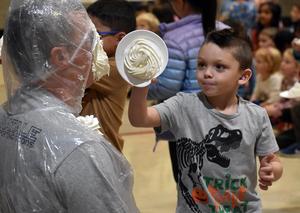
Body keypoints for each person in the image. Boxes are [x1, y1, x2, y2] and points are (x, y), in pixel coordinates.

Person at [0, 0, 139, 212]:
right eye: (91, 41)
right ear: (61, 56)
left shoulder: (5, 116)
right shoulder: (82, 150)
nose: (96, 51)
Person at [128, 28, 283, 212]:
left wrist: (272, 170)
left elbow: (273, 160)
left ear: (243, 76)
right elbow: (139, 118)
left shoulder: (257, 115)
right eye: (201, 65)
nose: (207, 73)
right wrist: (140, 84)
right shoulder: (183, 105)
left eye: (219, 67)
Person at [147, 0, 228, 183]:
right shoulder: (227, 31)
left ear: (180, 2)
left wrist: (142, 87)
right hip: (225, 122)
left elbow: (168, 87)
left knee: (189, 187)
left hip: (186, 128)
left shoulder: (175, 38)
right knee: (222, 182)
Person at [80, 0, 136, 152]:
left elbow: (67, 69)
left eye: (94, 35)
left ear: (120, 39)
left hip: (104, 152)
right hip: (87, 150)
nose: (85, 40)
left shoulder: (116, 68)